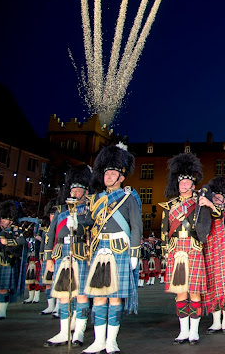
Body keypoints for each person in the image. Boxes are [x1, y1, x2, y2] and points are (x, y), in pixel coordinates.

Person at [82, 143, 142, 354]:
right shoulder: (96, 199)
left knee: (115, 297)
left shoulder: (129, 197)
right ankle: (98, 341)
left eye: (113, 173)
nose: (108, 176)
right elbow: (90, 224)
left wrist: (134, 252)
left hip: (120, 249)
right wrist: (76, 223)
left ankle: (112, 341)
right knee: (99, 297)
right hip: (99, 250)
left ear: (121, 177)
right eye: (106, 172)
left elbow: (136, 226)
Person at [159, 152, 207, 345]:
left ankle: (194, 331)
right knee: (180, 292)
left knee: (195, 291)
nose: (184, 185)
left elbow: (217, 215)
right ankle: (183, 330)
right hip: (176, 248)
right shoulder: (168, 206)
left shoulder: (199, 203)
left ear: (193, 185)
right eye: (181, 183)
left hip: (194, 247)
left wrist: (209, 203)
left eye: (188, 183)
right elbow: (164, 230)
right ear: (177, 185)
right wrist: (165, 251)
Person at [44, 165, 93, 347]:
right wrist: (48, 258)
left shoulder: (89, 210)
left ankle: (79, 331)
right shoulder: (61, 209)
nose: (76, 191)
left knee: (81, 294)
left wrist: (79, 225)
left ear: (86, 192)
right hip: (62, 253)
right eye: (73, 189)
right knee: (63, 294)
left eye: (79, 189)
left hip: (80, 252)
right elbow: (51, 235)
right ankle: (63, 331)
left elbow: (91, 231)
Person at [201, 176, 225, 335]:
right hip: (210, 253)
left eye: (221, 196)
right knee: (213, 288)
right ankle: (216, 321)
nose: (218, 198)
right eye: (215, 195)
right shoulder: (206, 212)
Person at [0, 200, 26, 321]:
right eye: (1, 219)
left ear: (11, 220)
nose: (2, 221)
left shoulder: (15, 231)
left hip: (8, 262)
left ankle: (1, 311)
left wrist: (7, 242)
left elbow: (22, 242)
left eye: (5, 219)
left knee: (3, 288)